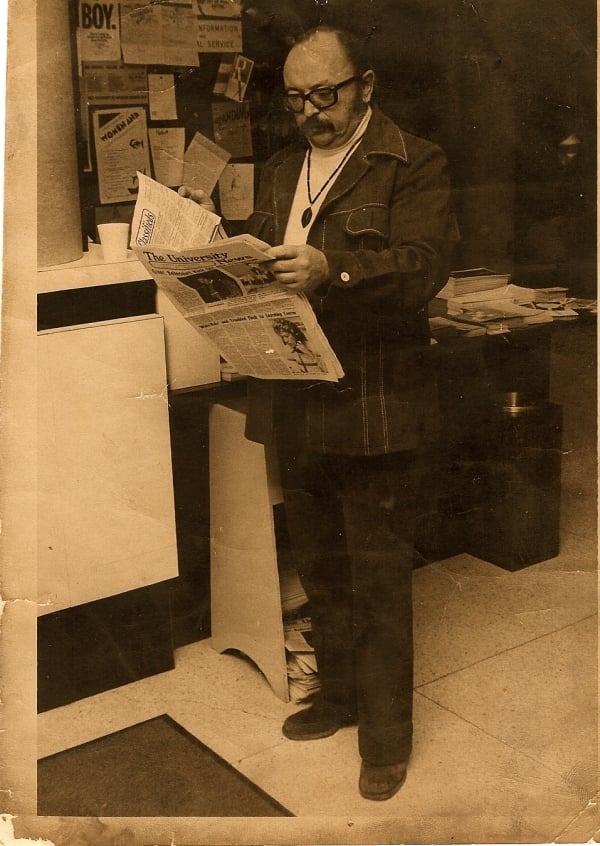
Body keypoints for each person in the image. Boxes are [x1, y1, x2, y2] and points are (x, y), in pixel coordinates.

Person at [180, 25, 459, 801]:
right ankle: (338, 698)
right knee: (322, 570)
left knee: (377, 577)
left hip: (374, 402)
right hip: (294, 399)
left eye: (326, 94)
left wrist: (334, 269)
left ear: (365, 84)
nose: (311, 111)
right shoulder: (278, 169)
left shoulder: (413, 159)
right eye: (298, 97)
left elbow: (425, 266)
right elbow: (266, 266)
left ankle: (387, 740)